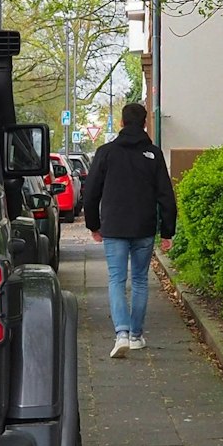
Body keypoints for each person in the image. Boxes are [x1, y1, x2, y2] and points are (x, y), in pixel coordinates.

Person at [80, 103, 176, 358]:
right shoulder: (154, 155)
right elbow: (166, 196)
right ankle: (136, 336)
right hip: (143, 227)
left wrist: (94, 225)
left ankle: (121, 333)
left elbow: (90, 193)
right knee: (141, 281)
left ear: (121, 123)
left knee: (116, 280)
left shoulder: (105, 152)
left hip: (114, 226)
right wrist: (167, 232)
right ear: (145, 124)